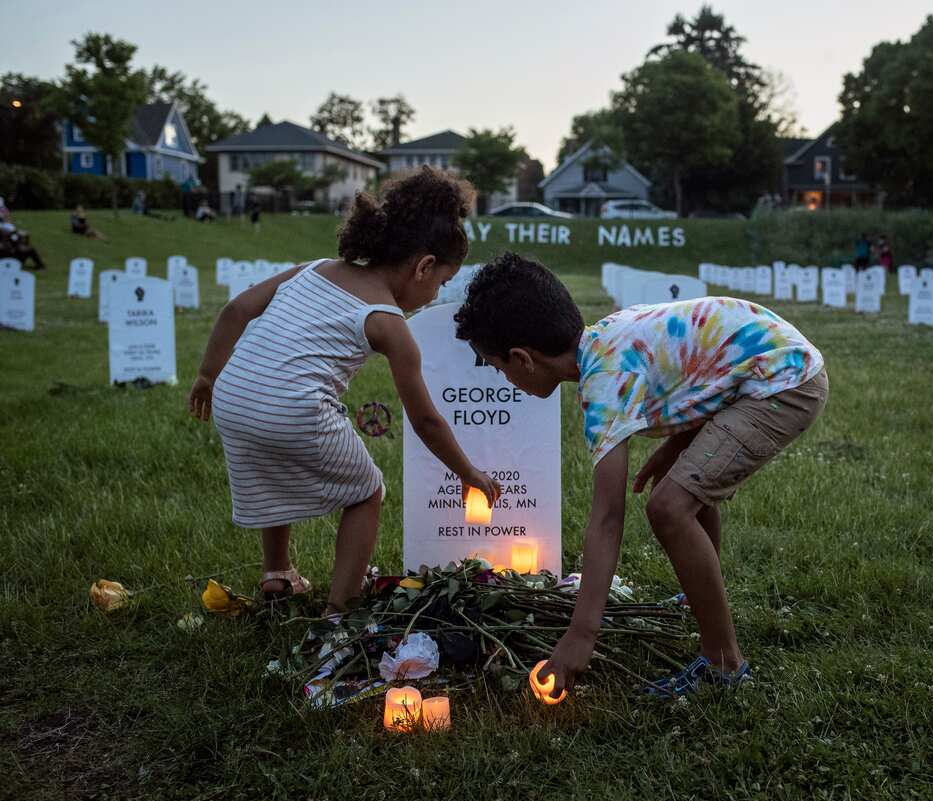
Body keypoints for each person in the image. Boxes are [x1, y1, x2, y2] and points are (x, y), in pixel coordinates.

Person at [454, 254, 828, 698]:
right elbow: (699, 372)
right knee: (681, 488)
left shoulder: (603, 383)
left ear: (523, 358)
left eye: (499, 369)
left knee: (669, 507)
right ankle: (698, 600)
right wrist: (674, 448)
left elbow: (608, 518)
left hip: (784, 384)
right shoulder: (604, 338)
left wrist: (580, 635)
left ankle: (724, 665)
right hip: (766, 366)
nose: (505, 379)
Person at [187, 168, 501, 612]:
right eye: (440, 284)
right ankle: (340, 612)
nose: (434, 295)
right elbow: (425, 419)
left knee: (275, 476)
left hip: (235, 397)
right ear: (423, 266)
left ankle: (277, 573)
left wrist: (206, 376)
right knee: (366, 492)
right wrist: (468, 472)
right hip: (294, 408)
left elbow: (237, 308)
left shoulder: (314, 269)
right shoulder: (388, 322)